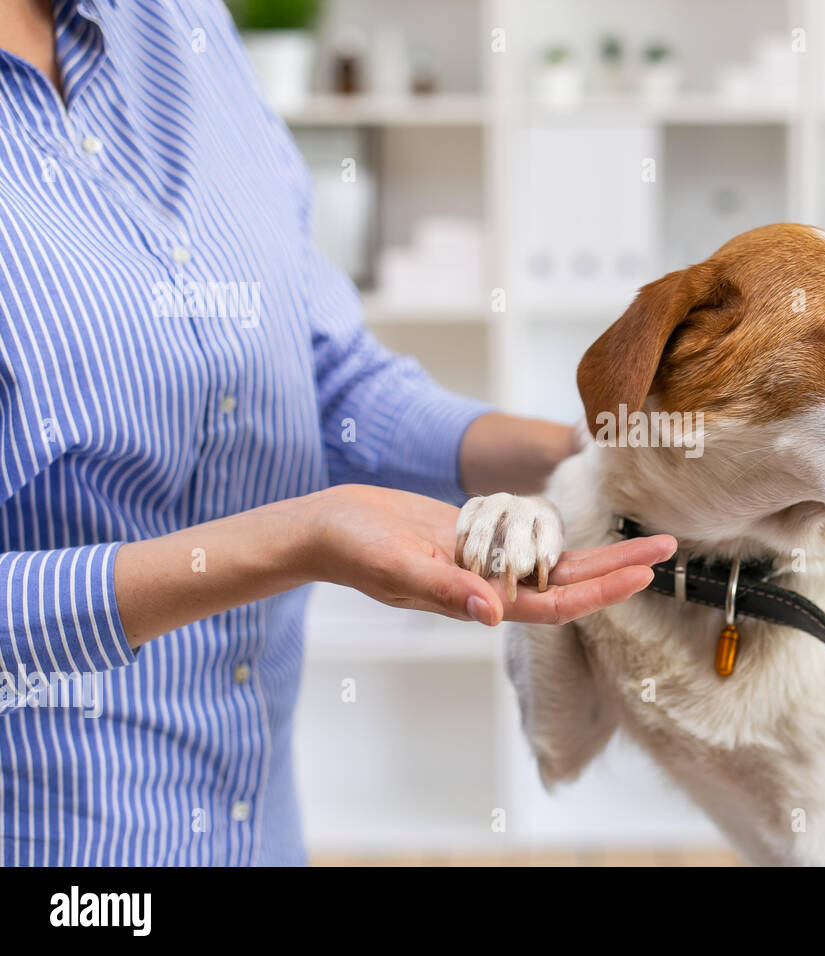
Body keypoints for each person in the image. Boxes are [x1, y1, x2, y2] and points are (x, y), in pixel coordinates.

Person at [0, 0, 674, 865]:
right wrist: (298, 538)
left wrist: (575, 458)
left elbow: (330, 373)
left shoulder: (172, 22)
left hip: (255, 812)